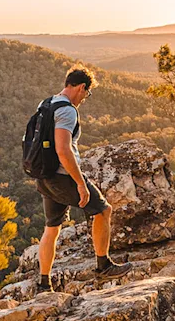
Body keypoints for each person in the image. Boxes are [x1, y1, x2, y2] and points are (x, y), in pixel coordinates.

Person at [35, 67, 132, 290]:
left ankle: (43, 283)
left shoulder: (46, 103)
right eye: (87, 94)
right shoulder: (68, 111)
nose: (84, 99)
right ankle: (103, 266)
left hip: (44, 175)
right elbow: (63, 149)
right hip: (62, 175)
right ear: (81, 88)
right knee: (103, 210)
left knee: (52, 227)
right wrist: (80, 183)